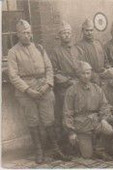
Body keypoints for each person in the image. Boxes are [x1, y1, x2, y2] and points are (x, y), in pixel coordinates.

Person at [7, 19, 70, 164]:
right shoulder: (13, 52)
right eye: (23, 33)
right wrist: (28, 90)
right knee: (33, 121)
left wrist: (48, 84)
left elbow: (49, 68)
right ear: (18, 34)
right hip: (26, 92)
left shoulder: (40, 48)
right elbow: (13, 76)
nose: (27, 36)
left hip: (44, 89)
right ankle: (39, 151)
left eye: (29, 32)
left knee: (49, 120)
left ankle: (56, 149)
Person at [63, 61, 113, 160]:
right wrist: (71, 132)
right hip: (81, 124)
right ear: (78, 74)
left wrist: (104, 119)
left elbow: (104, 106)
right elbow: (67, 112)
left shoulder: (97, 89)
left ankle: (100, 149)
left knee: (108, 129)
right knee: (87, 155)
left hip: (95, 121)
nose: (86, 76)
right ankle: (78, 143)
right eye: (83, 73)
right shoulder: (72, 90)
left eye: (88, 73)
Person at [50, 21, 81, 143]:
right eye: (64, 33)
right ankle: (66, 142)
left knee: (80, 110)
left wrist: (79, 79)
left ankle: (80, 139)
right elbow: (54, 72)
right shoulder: (55, 51)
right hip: (64, 87)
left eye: (68, 33)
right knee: (65, 112)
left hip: (78, 82)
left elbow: (82, 66)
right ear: (60, 35)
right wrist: (68, 81)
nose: (66, 35)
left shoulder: (77, 49)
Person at [76, 18, 109, 85]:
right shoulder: (79, 46)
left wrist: (107, 69)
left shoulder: (98, 43)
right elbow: (81, 66)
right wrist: (94, 75)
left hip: (103, 77)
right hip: (90, 79)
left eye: (91, 30)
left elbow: (106, 60)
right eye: (87, 30)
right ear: (83, 31)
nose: (89, 33)